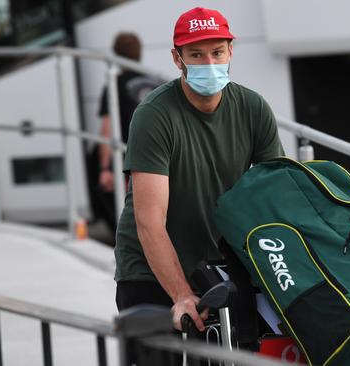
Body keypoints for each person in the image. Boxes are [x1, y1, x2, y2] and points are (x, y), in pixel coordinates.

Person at [114, 6, 284, 335]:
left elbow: (275, 198)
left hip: (219, 265)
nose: (209, 64)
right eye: (196, 54)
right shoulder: (153, 115)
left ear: (231, 52)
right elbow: (149, 222)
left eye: (217, 52)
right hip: (151, 272)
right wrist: (180, 294)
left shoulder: (253, 108)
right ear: (178, 59)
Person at [94, 32, 165, 232]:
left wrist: (105, 168)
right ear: (138, 53)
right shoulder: (156, 82)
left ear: (116, 53)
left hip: (129, 158)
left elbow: (107, 129)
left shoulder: (114, 83)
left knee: (133, 214)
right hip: (160, 157)